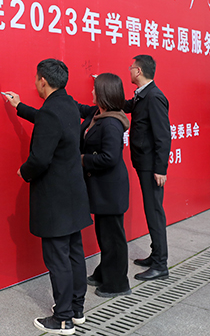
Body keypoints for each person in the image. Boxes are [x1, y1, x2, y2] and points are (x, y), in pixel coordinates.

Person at [3, 59, 92, 336]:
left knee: (57, 258)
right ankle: (76, 309)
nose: (35, 83)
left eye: (35, 79)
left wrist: (24, 171)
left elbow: (40, 159)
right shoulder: (68, 104)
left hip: (55, 199)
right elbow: (47, 120)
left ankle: (62, 319)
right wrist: (19, 107)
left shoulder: (51, 111)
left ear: (43, 81)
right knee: (74, 253)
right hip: (74, 194)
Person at [76, 73, 131, 297]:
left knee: (113, 238)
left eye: (95, 89)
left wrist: (82, 159)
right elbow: (79, 108)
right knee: (105, 236)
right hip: (103, 189)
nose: (91, 92)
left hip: (110, 190)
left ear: (104, 94)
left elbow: (110, 157)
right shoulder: (98, 114)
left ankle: (118, 284)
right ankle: (104, 273)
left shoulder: (111, 123)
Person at [122, 55, 171, 281]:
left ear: (139, 71)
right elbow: (127, 106)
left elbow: (163, 135)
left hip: (152, 166)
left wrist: (161, 169)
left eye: (131, 67)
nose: (130, 70)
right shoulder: (142, 94)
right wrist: (107, 89)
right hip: (144, 163)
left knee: (154, 212)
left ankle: (161, 264)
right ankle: (155, 254)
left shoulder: (154, 96)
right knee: (151, 210)